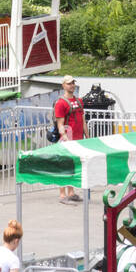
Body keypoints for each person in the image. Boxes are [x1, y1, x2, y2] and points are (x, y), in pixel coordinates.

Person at [55, 76, 87, 205]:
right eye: (69, 83)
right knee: (64, 167)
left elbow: (83, 120)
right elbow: (60, 124)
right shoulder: (60, 103)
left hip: (78, 139)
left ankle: (71, 192)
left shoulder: (79, 101)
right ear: (63, 85)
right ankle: (62, 195)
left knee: (74, 166)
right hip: (68, 140)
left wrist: (87, 137)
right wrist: (66, 139)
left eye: (73, 83)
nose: (72, 85)